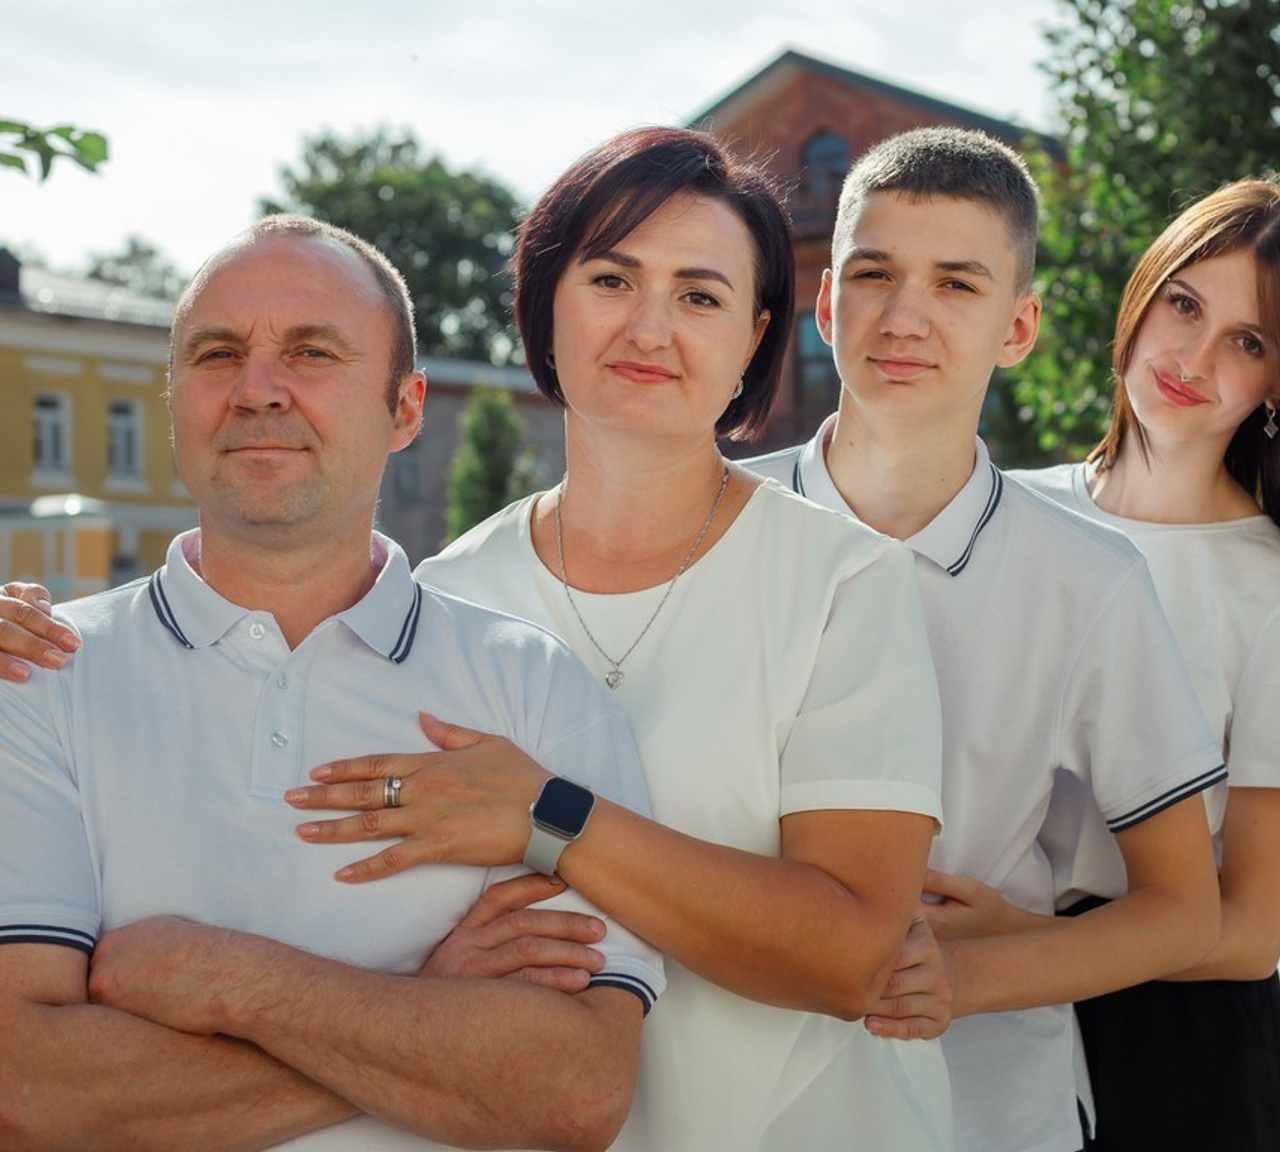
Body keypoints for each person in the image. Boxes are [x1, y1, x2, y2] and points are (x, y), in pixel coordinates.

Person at [0, 129, 951, 1151]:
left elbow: (832, 964)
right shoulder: (452, 588)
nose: (649, 326)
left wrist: (545, 815)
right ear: (545, 307)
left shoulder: (831, 582)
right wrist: (422, 1018)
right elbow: (27, 1088)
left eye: (699, 295)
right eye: (611, 279)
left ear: (756, 335)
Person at [0, 215, 667, 1150]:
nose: (257, 390)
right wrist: (427, 1015)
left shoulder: (534, 686)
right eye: (217, 355)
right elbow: (25, 1093)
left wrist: (233, 983)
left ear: (406, 410)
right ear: (173, 400)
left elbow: (577, 1090)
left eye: (312, 353)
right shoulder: (35, 675)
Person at [737, 127, 1226, 1152]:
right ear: (826, 303)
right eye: (873, 273)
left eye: (956, 284)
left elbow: (1183, 910)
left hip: (987, 1112)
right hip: (726, 1097)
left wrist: (967, 973)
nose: (904, 316)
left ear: (1018, 326)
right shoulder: (711, 524)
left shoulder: (1090, 582)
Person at [1001, 178, 1280, 1150]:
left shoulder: (1267, 586)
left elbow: (1253, 931)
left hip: (1178, 1045)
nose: (1194, 360)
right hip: (968, 1020)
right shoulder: (996, 511)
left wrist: (1014, 945)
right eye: (1184, 305)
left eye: (1248, 341)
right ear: (1141, 295)